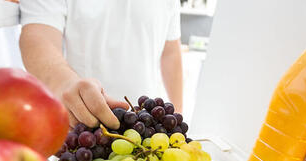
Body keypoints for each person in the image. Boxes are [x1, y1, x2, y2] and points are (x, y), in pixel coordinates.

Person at [19, 0, 183, 130]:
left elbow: (170, 53)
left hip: (149, 129)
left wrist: (176, 117)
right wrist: (63, 83)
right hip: (85, 129)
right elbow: (39, 37)